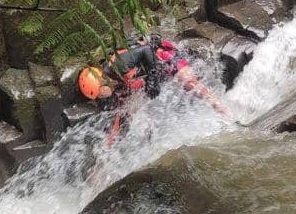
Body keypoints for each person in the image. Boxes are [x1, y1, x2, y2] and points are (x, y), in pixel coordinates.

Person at [77, 36, 231, 145]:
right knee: (126, 112)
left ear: (102, 81)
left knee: (188, 82)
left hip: (160, 57)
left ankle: (225, 112)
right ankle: (149, 144)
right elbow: (117, 116)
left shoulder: (118, 64)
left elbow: (146, 50)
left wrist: (152, 78)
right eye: (98, 95)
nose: (102, 95)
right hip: (147, 75)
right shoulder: (112, 88)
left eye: (100, 92)